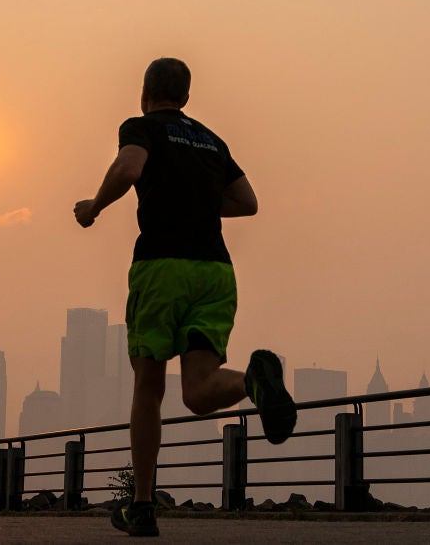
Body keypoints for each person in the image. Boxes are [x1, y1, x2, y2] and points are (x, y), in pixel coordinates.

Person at [74, 58, 296, 537]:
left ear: (145, 92)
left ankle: (142, 506)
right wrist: (195, 198)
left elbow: (129, 167)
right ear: (188, 98)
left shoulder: (141, 126)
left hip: (162, 268)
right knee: (198, 392)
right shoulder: (212, 140)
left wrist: (93, 208)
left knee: (148, 389)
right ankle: (254, 382)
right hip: (216, 272)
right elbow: (248, 203)